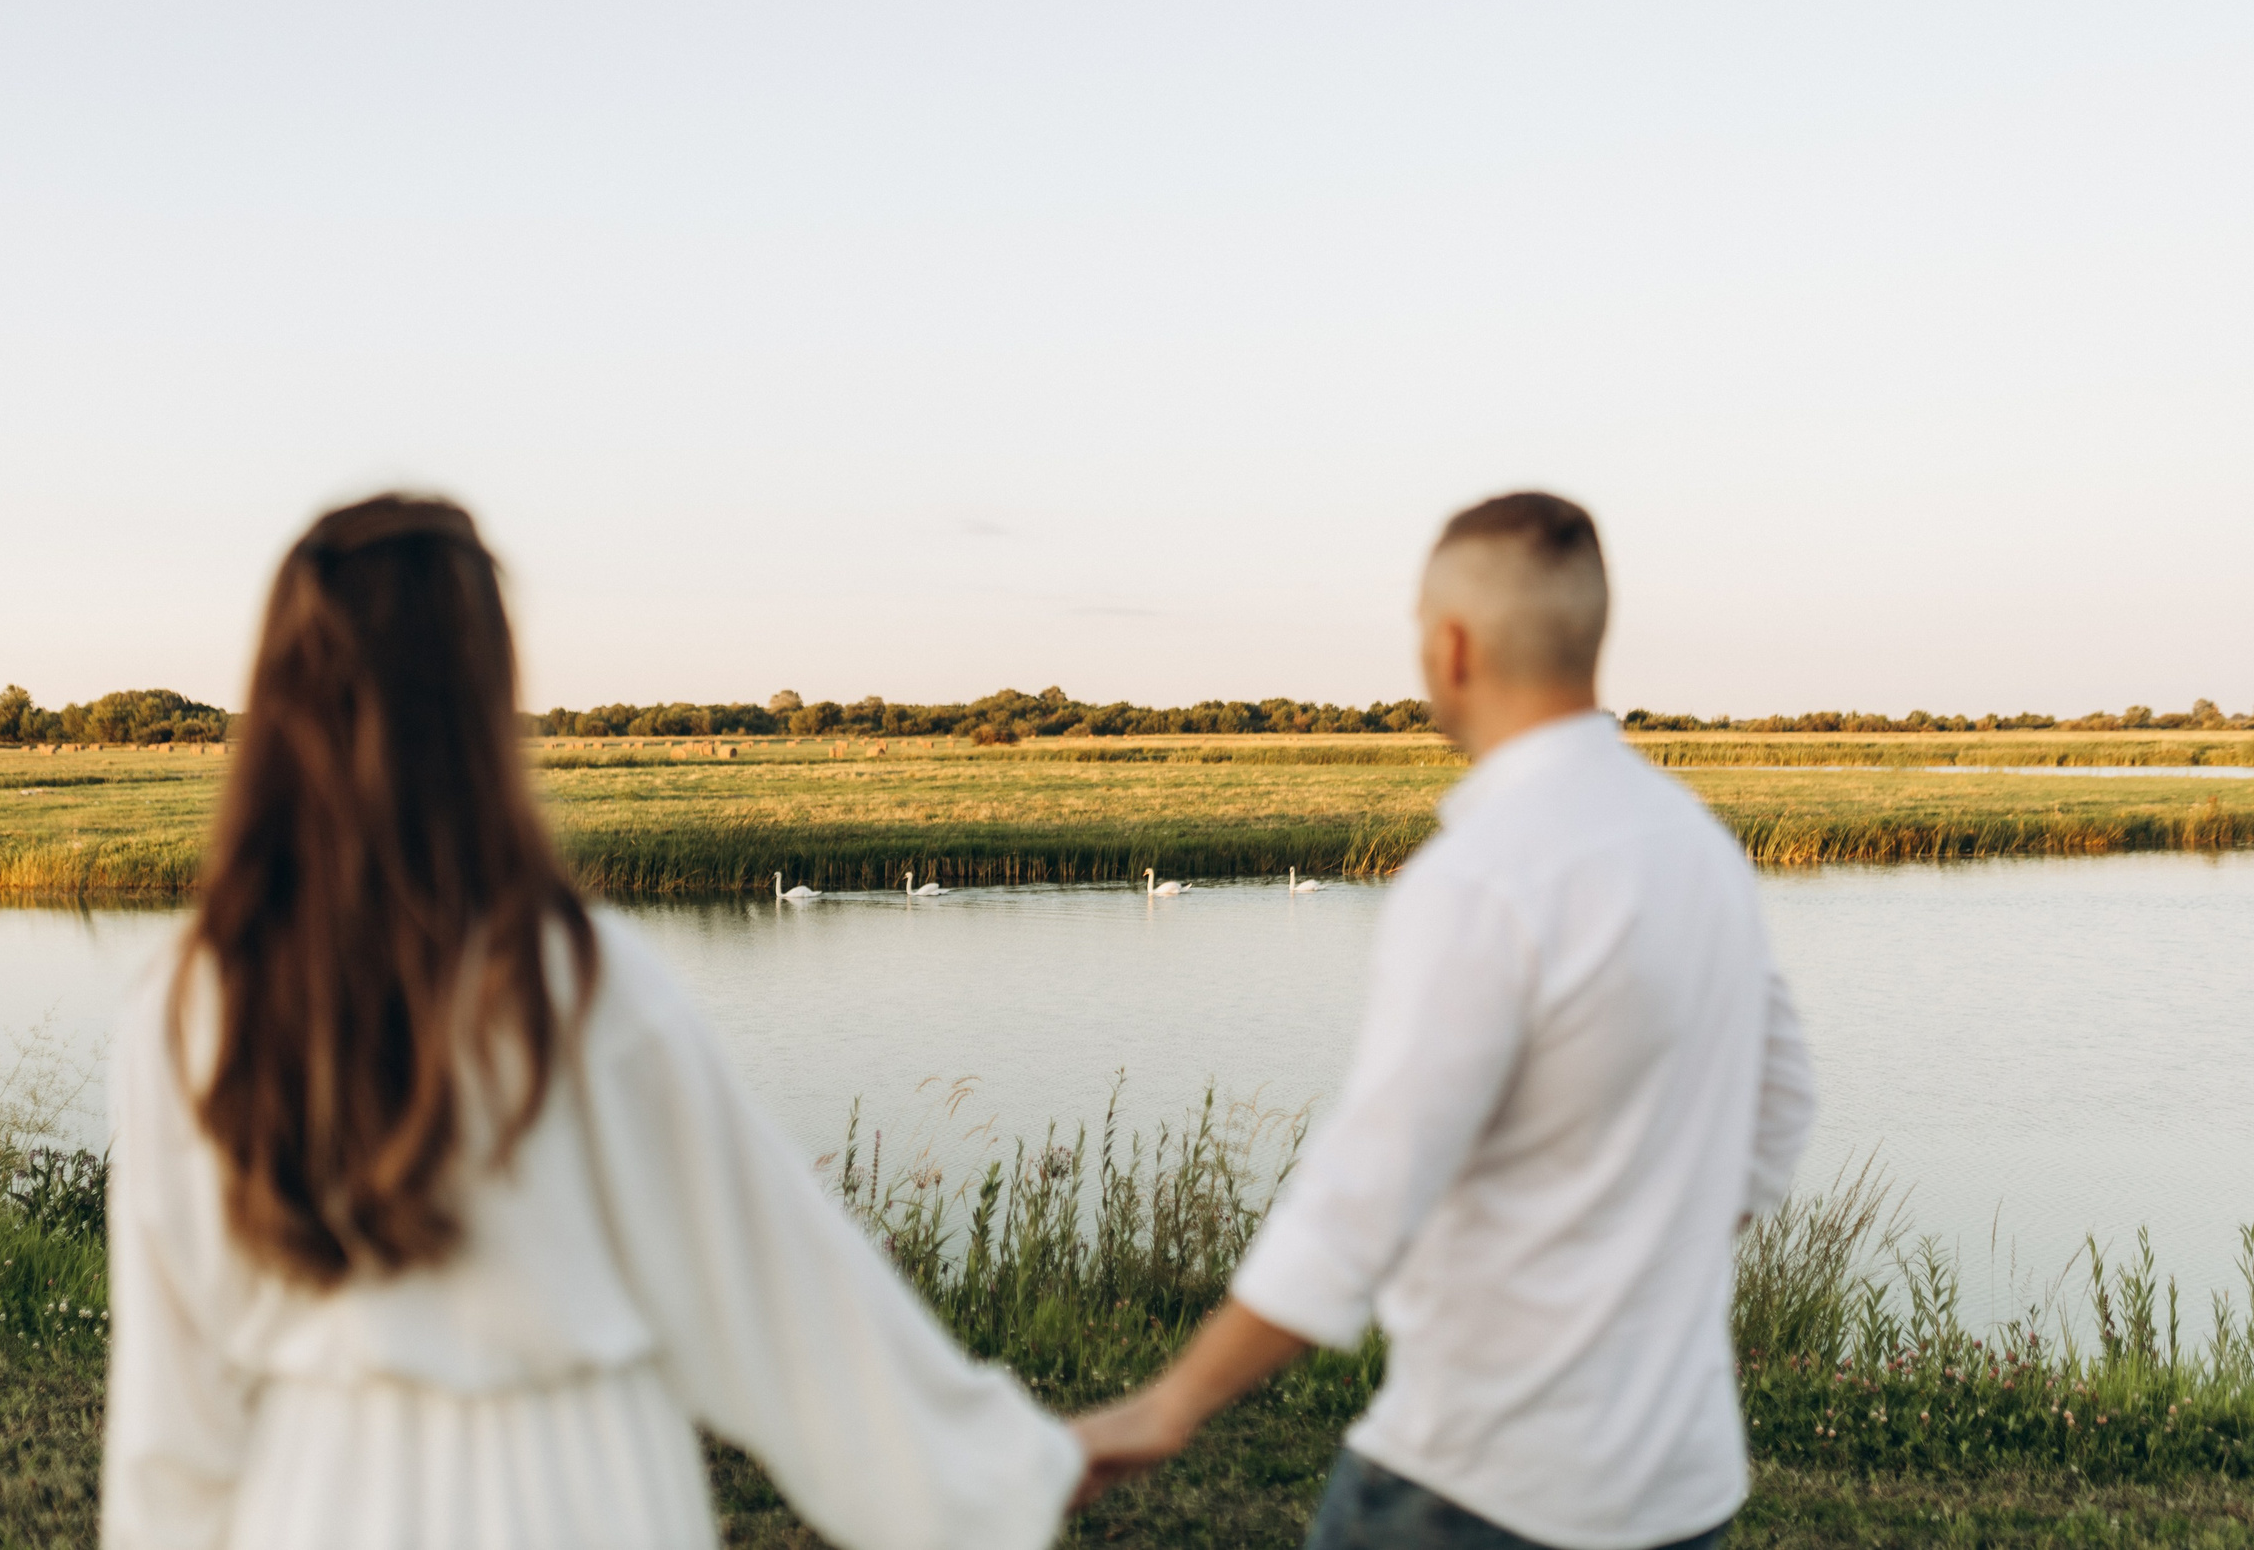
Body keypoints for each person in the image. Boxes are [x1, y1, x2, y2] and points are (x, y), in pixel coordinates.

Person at [102, 495, 1080, 1550]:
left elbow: (170, 1416)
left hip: (323, 1500)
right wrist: (1005, 1471)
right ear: (486, 694)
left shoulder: (189, 1006)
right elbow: (780, 1298)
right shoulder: (588, 987)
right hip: (581, 1496)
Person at [1072, 491, 1815, 1550]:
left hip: (1483, 1492)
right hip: (1678, 1487)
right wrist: (1640, 1270)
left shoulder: (1481, 875)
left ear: (1452, 646)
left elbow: (1363, 1192)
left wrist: (1170, 1404)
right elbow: (1783, 1104)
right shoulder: (1697, 846)